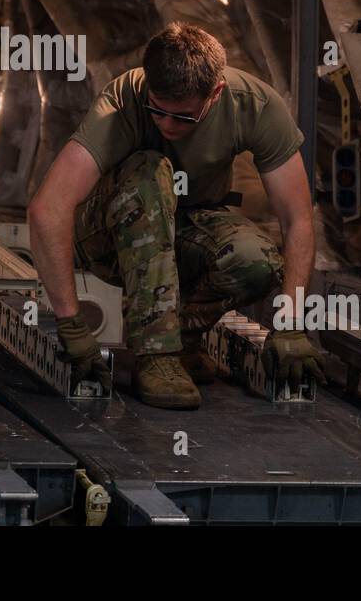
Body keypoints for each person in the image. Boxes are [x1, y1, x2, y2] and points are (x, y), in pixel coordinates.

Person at [27, 21, 325, 408]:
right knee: (152, 170)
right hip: (107, 235)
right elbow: (47, 208)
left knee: (257, 262)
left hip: (188, 226)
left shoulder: (255, 106)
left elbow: (298, 219)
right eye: (158, 111)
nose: (167, 125)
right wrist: (72, 326)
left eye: (183, 117)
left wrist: (290, 322)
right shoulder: (122, 100)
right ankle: (157, 356)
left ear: (215, 93)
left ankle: (181, 342)